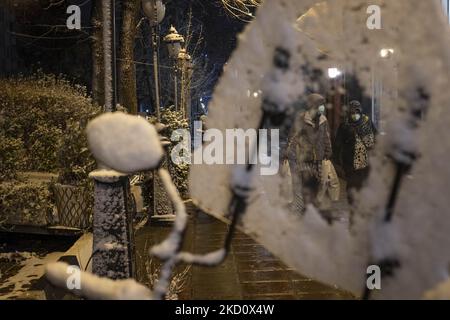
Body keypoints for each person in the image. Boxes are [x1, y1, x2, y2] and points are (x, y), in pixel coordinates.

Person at [287, 93, 333, 212]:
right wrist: (290, 156)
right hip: (304, 159)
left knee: (317, 186)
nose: (322, 108)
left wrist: (328, 151)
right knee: (303, 186)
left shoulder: (323, 120)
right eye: (320, 105)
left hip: (318, 159)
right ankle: (301, 210)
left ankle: (311, 211)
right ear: (313, 106)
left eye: (323, 105)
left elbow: (326, 137)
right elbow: (293, 139)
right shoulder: (302, 119)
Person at [334, 100, 376, 195]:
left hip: (365, 162)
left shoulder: (367, 123)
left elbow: (376, 138)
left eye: (356, 112)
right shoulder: (345, 126)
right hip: (350, 163)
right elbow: (337, 144)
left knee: (363, 185)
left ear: (360, 112)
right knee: (352, 186)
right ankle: (352, 203)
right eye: (352, 112)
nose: (354, 114)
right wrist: (337, 161)